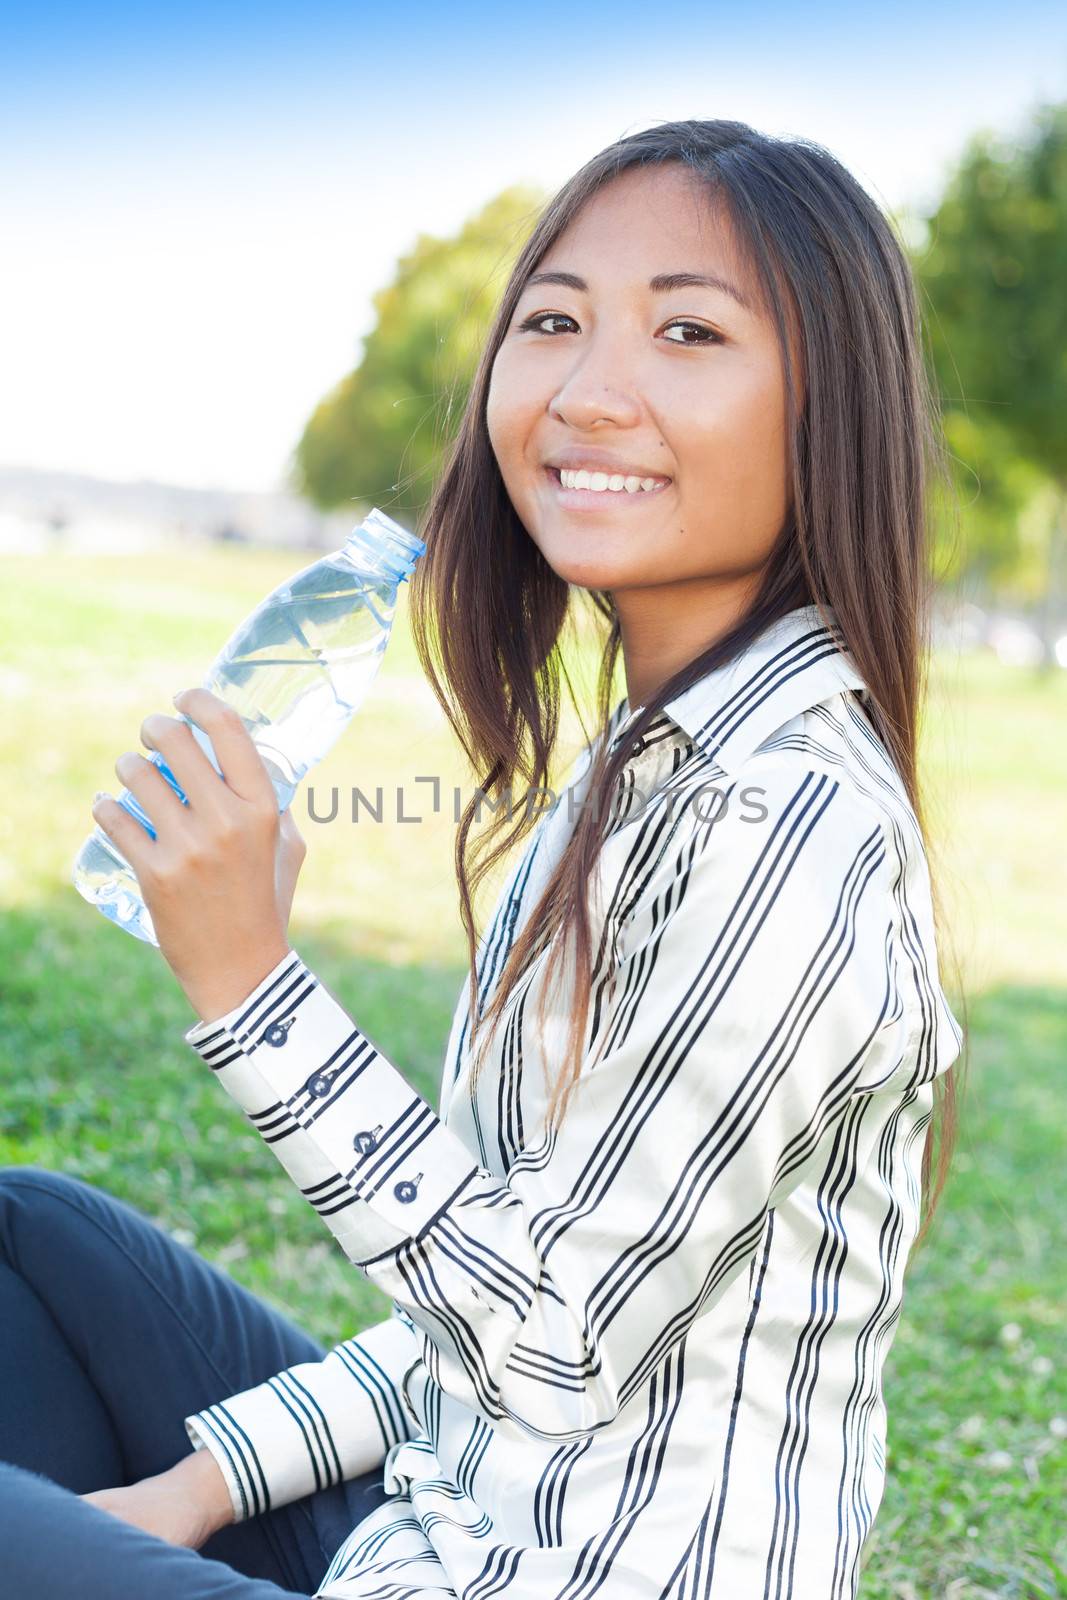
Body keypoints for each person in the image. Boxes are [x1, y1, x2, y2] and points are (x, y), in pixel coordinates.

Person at [0, 116, 967, 1598]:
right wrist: (187, 1493)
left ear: (827, 409)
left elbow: (556, 1338)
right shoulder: (642, 765)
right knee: (30, 1239)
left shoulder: (791, 830)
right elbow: (498, 1278)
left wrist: (253, 989)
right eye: (555, 322)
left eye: (689, 332)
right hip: (434, 1537)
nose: (589, 392)